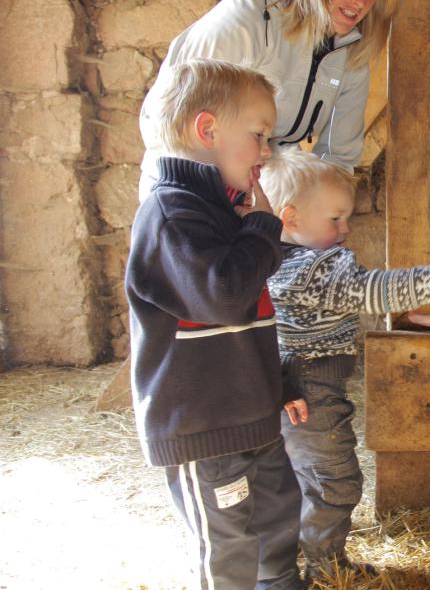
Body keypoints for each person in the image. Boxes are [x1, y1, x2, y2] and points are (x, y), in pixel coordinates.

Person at [258, 149, 430, 582]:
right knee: (335, 480)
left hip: (286, 384)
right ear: (290, 217)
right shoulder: (316, 267)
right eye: (335, 220)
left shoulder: (271, 262)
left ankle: (284, 563)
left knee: (295, 479)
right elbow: (373, 291)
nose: (346, 230)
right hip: (312, 389)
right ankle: (325, 567)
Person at [125, 58, 310, 590]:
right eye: (258, 135)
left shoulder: (227, 212)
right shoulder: (170, 215)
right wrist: (263, 228)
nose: (266, 152)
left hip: (251, 415)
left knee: (277, 519)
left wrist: (279, 382)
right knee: (225, 544)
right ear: (207, 130)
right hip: (201, 427)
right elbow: (225, 296)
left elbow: (252, 317)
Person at [138, 0, 399, 201]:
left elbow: (337, 158)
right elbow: (169, 125)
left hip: (262, 196)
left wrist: (319, 218)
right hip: (188, 197)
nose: (361, 0)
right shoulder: (244, 22)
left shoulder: (351, 52)